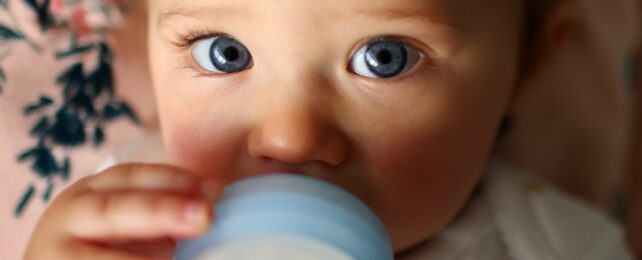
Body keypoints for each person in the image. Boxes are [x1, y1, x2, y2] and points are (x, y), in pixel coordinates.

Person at [21, 0, 636, 259]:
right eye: (223, 53)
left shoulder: (556, 243)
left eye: (384, 58)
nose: (289, 137)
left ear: (527, 64)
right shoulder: (130, 228)